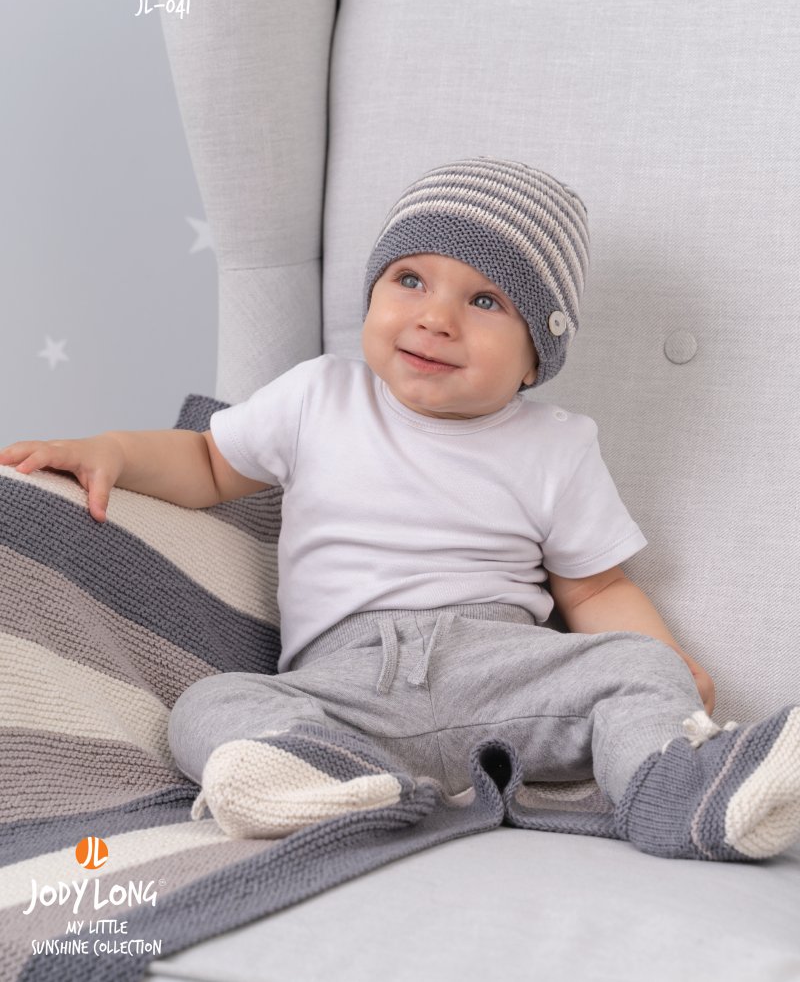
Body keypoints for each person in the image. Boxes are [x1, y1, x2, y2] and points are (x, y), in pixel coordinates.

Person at [2, 157, 798, 863]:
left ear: (536, 356)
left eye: (484, 299)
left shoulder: (557, 445)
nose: (435, 317)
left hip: (502, 673)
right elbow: (210, 462)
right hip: (346, 684)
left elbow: (595, 587)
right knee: (205, 706)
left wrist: (667, 659)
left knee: (640, 670)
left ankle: (684, 794)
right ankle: (328, 777)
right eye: (410, 280)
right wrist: (114, 449)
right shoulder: (319, 395)